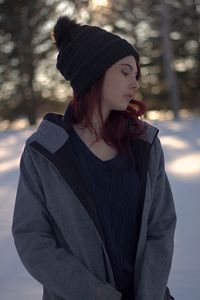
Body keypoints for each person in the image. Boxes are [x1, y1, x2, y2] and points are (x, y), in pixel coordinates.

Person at [12, 15, 177, 300]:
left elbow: (160, 227)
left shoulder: (144, 144)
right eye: (126, 72)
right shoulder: (44, 153)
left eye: (137, 74)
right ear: (94, 73)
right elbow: (33, 240)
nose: (135, 83)